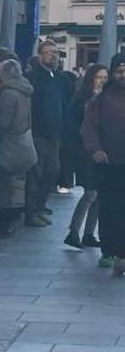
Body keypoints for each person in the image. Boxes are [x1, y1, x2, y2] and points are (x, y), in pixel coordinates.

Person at [0, 59, 37, 239]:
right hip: (22, 141)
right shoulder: (25, 90)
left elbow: (2, 123)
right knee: (16, 184)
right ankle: (11, 221)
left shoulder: (8, 94)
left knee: (5, 184)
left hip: (8, 145)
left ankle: (5, 223)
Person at [82, 54, 125, 273]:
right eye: (119, 69)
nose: (123, 74)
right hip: (108, 165)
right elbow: (88, 128)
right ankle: (109, 250)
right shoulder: (100, 100)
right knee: (108, 209)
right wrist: (95, 149)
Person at [25, 41, 69, 224]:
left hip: (55, 134)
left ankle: (40, 205)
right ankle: (31, 211)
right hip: (38, 133)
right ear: (40, 55)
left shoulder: (59, 78)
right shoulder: (33, 77)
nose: (53, 56)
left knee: (52, 172)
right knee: (36, 174)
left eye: (56, 52)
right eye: (49, 52)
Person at [64, 64, 107, 249]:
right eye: (99, 77)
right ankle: (73, 232)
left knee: (99, 195)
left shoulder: (107, 98)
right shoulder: (83, 98)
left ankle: (89, 233)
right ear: (91, 78)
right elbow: (71, 124)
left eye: (105, 77)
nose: (102, 81)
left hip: (103, 152)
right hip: (85, 152)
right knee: (91, 192)